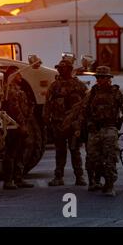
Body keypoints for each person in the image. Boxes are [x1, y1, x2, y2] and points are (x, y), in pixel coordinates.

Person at [83, 66, 123, 196]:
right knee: (92, 158)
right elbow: (85, 111)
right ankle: (95, 180)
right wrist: (88, 125)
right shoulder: (92, 93)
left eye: (102, 77)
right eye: (98, 77)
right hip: (95, 130)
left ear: (108, 78)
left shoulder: (116, 92)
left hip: (110, 129)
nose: (99, 80)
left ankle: (110, 185)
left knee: (110, 157)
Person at [43, 58, 88, 186]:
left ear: (69, 69)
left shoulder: (78, 85)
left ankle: (79, 177)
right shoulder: (54, 86)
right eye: (59, 68)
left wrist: (82, 121)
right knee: (60, 151)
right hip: (58, 124)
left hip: (73, 125)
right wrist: (47, 120)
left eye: (63, 68)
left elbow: (85, 103)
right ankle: (58, 177)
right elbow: (48, 104)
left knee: (75, 150)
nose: (61, 70)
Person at [2, 66, 35, 190]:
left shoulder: (17, 89)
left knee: (20, 151)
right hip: (14, 126)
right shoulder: (10, 90)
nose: (20, 76)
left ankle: (18, 178)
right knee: (11, 153)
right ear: (12, 75)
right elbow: (15, 109)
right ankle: (9, 180)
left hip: (19, 125)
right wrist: (22, 124)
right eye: (18, 74)